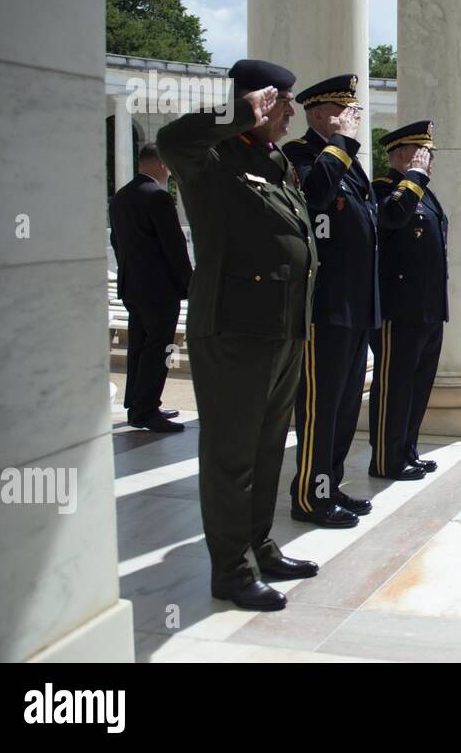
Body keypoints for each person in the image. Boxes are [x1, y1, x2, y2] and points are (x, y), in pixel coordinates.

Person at [157, 59, 319, 612]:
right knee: (231, 456)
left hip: (282, 328)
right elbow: (171, 138)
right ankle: (229, 570)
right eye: (283, 102)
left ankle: (259, 545)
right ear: (260, 103)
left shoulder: (273, 161)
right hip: (233, 328)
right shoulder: (212, 158)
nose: (292, 112)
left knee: (268, 447)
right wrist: (235, 111)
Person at [285, 75, 379, 529]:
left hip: (355, 306)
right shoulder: (300, 156)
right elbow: (315, 197)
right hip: (324, 306)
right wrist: (341, 143)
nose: (355, 121)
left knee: (343, 408)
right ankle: (308, 496)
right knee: (320, 409)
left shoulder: (348, 161)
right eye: (347, 113)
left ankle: (330, 486)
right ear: (321, 114)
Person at [368, 122, 448, 481]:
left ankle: (407, 450)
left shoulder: (423, 193)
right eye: (422, 154)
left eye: (428, 155)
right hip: (398, 311)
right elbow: (392, 217)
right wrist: (414, 176)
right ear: (400, 154)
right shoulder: (384, 190)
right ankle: (386, 459)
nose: (429, 161)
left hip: (428, 308)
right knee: (394, 386)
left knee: (417, 386)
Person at [109, 143, 192, 433]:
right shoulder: (157, 196)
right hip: (159, 289)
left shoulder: (121, 197)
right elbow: (174, 247)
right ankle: (146, 410)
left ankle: (138, 404)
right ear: (160, 164)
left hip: (133, 286)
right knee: (159, 347)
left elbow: (117, 243)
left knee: (139, 345)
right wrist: (189, 284)